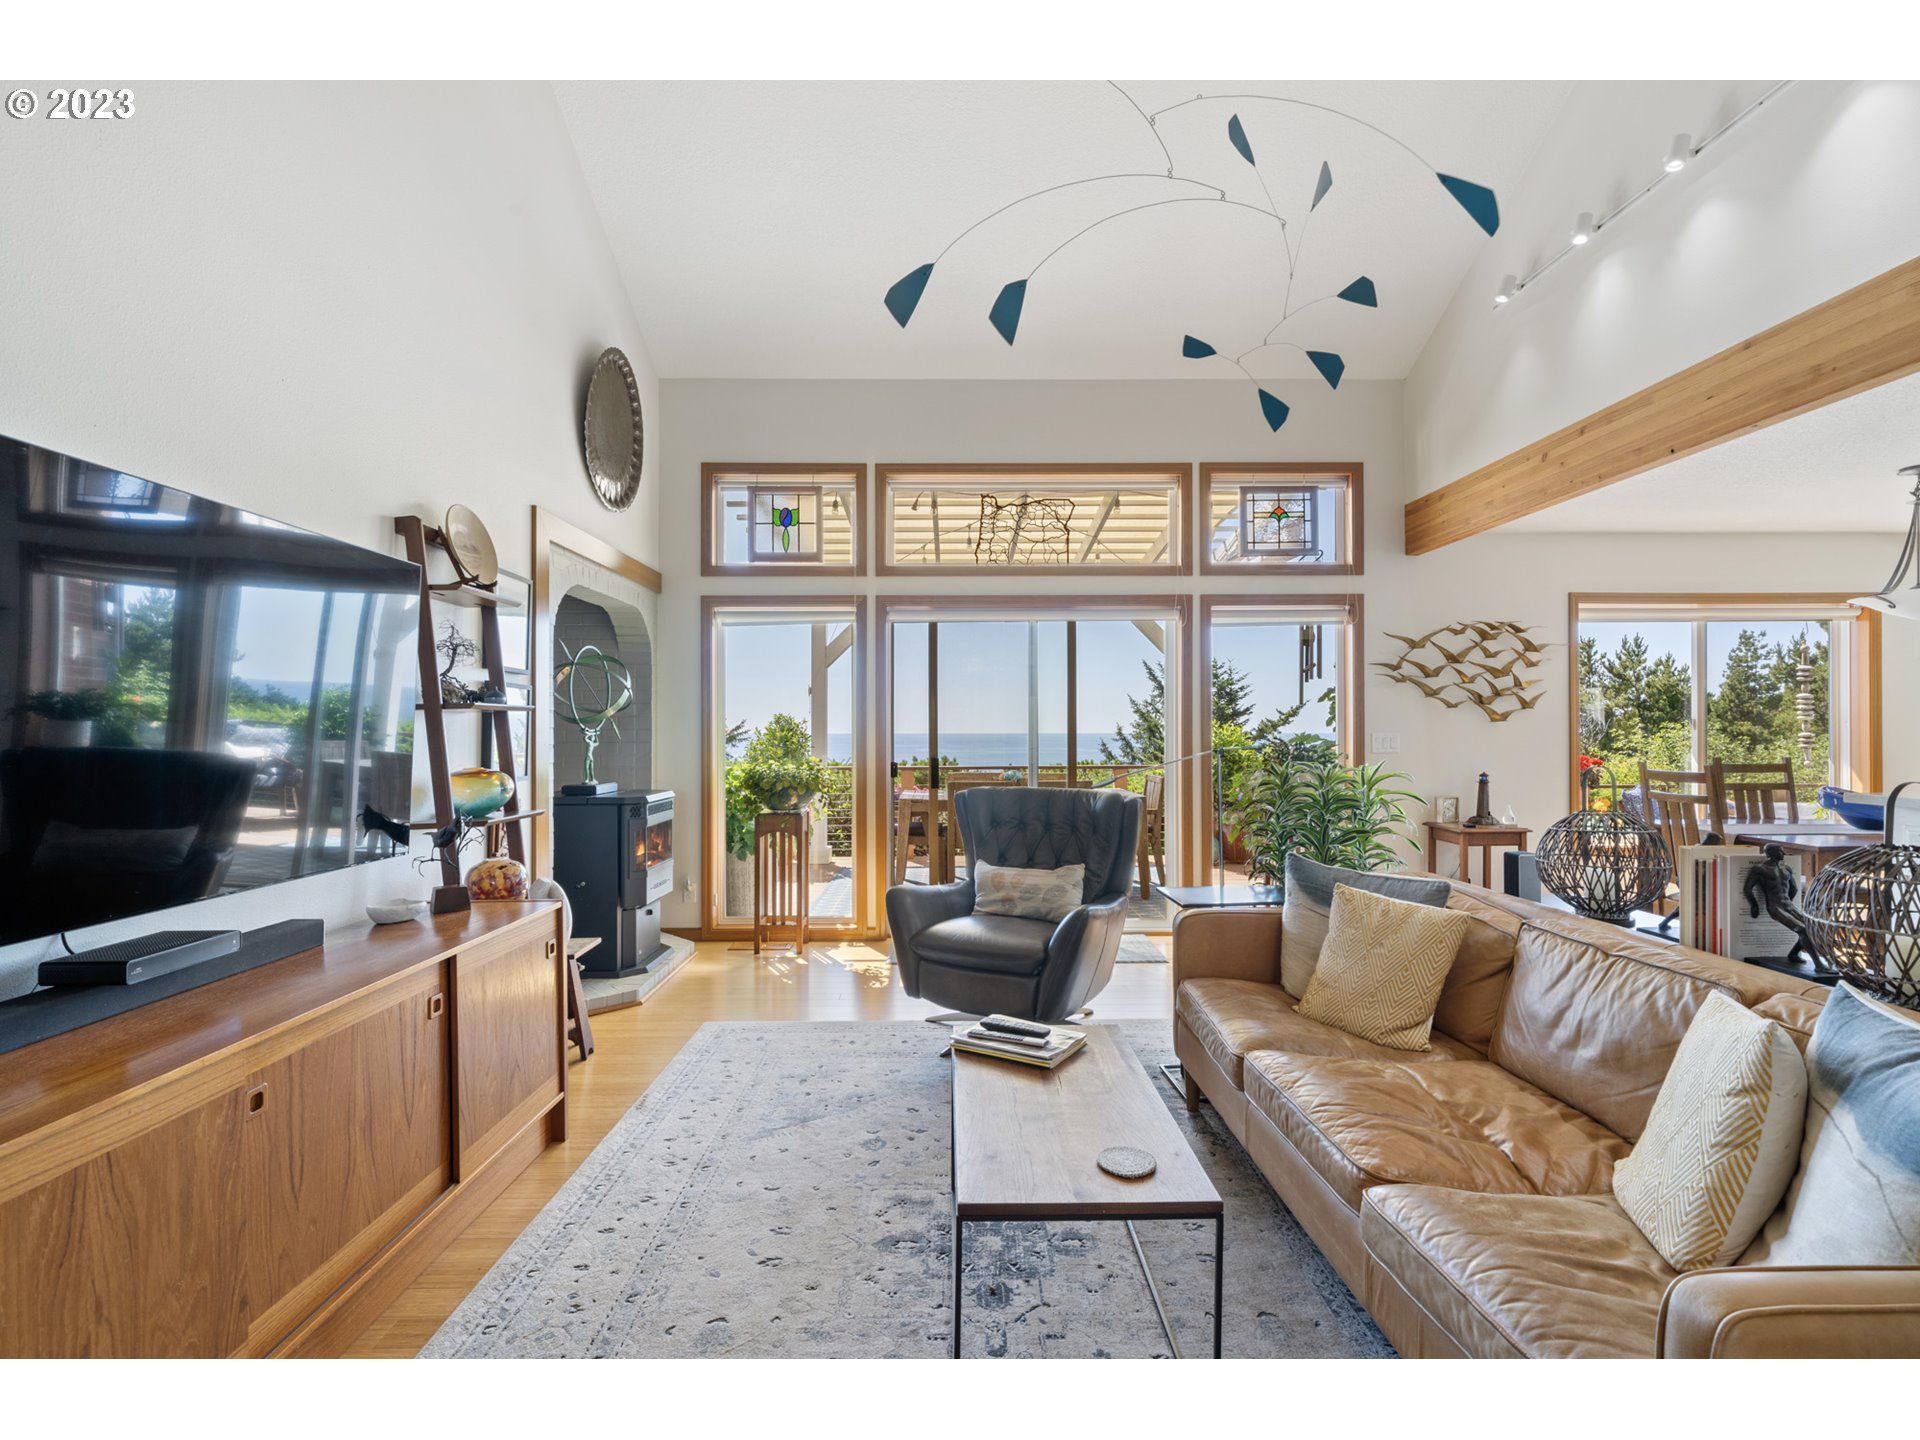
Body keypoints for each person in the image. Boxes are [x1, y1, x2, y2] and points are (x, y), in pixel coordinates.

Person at [1742, 843, 1827, 969]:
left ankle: (1793, 954)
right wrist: (1754, 906)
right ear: (1771, 853)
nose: (1784, 854)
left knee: (1812, 926)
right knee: (1802, 929)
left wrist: (1789, 902)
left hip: (1788, 905)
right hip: (1775, 907)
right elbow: (1748, 888)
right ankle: (1818, 965)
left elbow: (1794, 889)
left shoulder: (1786, 868)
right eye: (1781, 852)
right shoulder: (1760, 869)